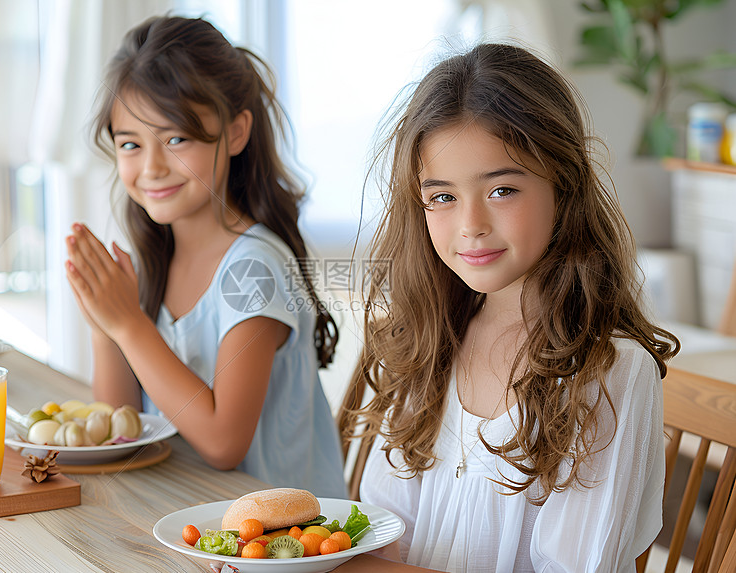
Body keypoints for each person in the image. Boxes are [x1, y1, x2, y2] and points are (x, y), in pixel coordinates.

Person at [336, 43, 680, 571]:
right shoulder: (426, 341)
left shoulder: (607, 371)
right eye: (443, 197)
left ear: (563, 187)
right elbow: (382, 535)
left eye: (501, 190)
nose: (470, 224)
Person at [64, 15, 346, 498]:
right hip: (189, 526)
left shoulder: (253, 268)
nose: (151, 166)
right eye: (130, 143)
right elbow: (121, 427)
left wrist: (129, 324)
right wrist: (105, 326)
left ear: (235, 133)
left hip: (278, 546)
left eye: (176, 139)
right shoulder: (160, 255)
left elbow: (223, 442)